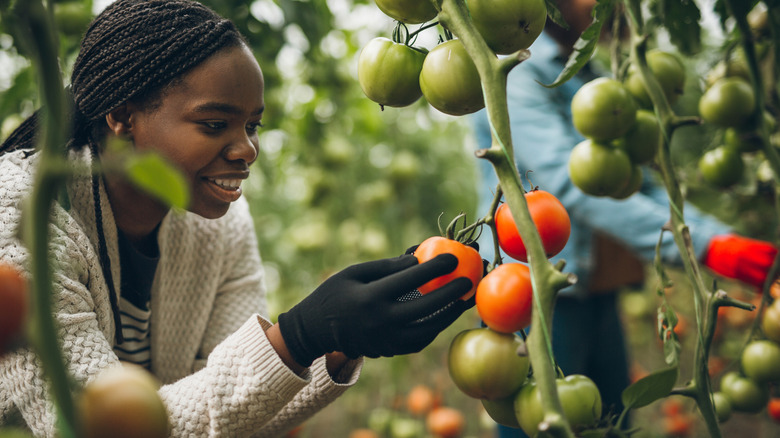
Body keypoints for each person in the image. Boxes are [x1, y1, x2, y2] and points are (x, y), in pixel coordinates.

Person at [0, 1, 474, 436]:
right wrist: (297, 334)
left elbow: (233, 418)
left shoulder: (220, 224)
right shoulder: (21, 218)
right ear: (123, 116)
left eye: (252, 126)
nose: (247, 149)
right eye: (214, 124)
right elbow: (90, 426)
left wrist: (338, 340)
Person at [471, 0, 778, 436]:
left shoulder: (595, 81)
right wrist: (705, 248)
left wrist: (722, 240)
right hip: (527, 292)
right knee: (543, 426)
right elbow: (566, 182)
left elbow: (641, 185)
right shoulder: (518, 74)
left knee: (611, 421)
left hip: (594, 284)